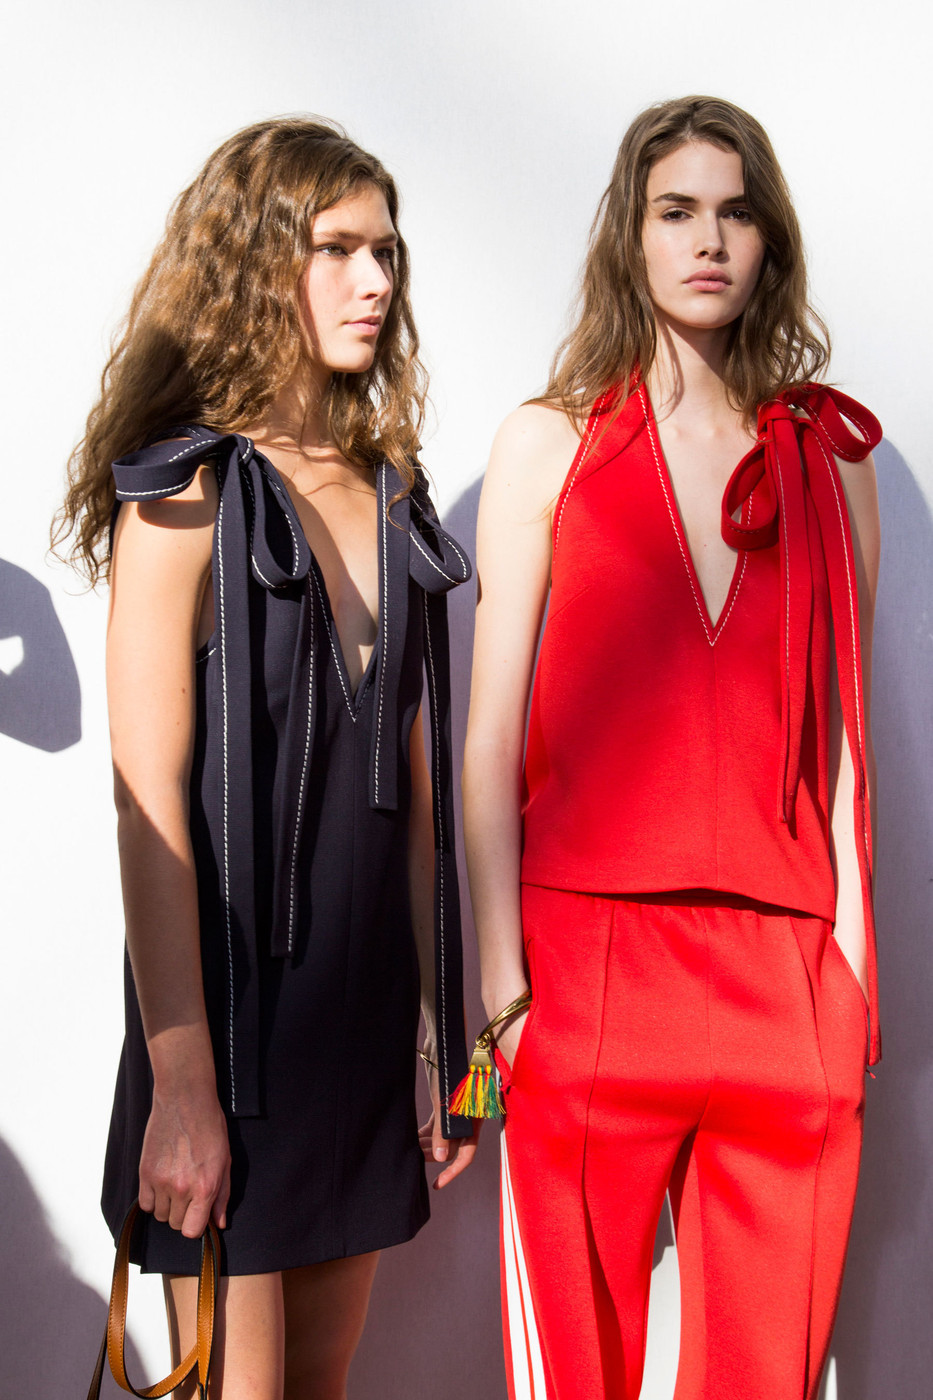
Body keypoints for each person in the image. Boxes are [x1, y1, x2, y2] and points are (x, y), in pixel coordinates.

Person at [462, 95, 881, 1400]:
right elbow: (488, 737)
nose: (709, 241)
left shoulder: (831, 459)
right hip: (584, 966)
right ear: (629, 234)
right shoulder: (549, 443)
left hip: (783, 972)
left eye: (736, 212)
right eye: (677, 211)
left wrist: (850, 978)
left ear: (770, 239)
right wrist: (501, 988)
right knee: (571, 1375)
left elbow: (847, 740)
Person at [55, 117, 476, 1399]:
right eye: (337, 248)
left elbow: (416, 792)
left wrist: (444, 1027)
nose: (375, 280)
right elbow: (144, 806)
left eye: (386, 251)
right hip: (227, 1036)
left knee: (322, 1382)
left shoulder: (392, 489)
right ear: (254, 261)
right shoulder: (181, 495)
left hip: (361, 1024)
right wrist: (181, 1077)